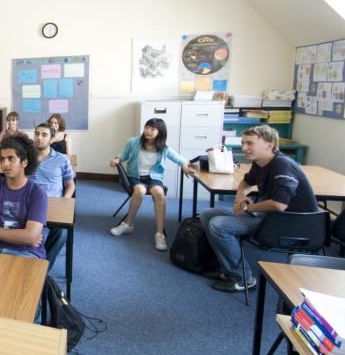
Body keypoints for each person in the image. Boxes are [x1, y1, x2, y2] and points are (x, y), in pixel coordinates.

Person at [202, 125, 318, 293]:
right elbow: (246, 182)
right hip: (269, 217)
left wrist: (250, 208)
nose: (244, 148)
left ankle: (243, 278)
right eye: (243, 143)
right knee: (207, 215)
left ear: (269, 145)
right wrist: (239, 199)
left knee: (218, 225)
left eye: (250, 143)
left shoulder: (282, 165)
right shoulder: (260, 163)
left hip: (291, 224)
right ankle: (226, 267)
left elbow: (279, 204)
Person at [110, 118, 194, 251]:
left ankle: (160, 234)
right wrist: (117, 159)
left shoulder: (164, 148)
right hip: (135, 177)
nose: (148, 131)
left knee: (159, 193)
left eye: (153, 129)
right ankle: (128, 224)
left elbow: (180, 159)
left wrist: (184, 165)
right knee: (140, 190)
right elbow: (122, 156)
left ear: (160, 132)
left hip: (153, 178)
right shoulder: (133, 142)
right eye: (147, 127)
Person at [0, 135, 47, 259]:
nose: (5, 164)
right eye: (2, 159)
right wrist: (23, 237)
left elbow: (30, 237)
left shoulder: (37, 194)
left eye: (11, 159)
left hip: (25, 253)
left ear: (24, 162)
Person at [31, 123, 75, 269]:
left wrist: (64, 202)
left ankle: (43, 269)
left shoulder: (62, 159)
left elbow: (71, 186)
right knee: (35, 234)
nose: (39, 138)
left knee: (62, 232)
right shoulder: (26, 158)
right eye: (37, 134)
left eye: (44, 135)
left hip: (53, 205)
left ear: (52, 139)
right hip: (29, 205)